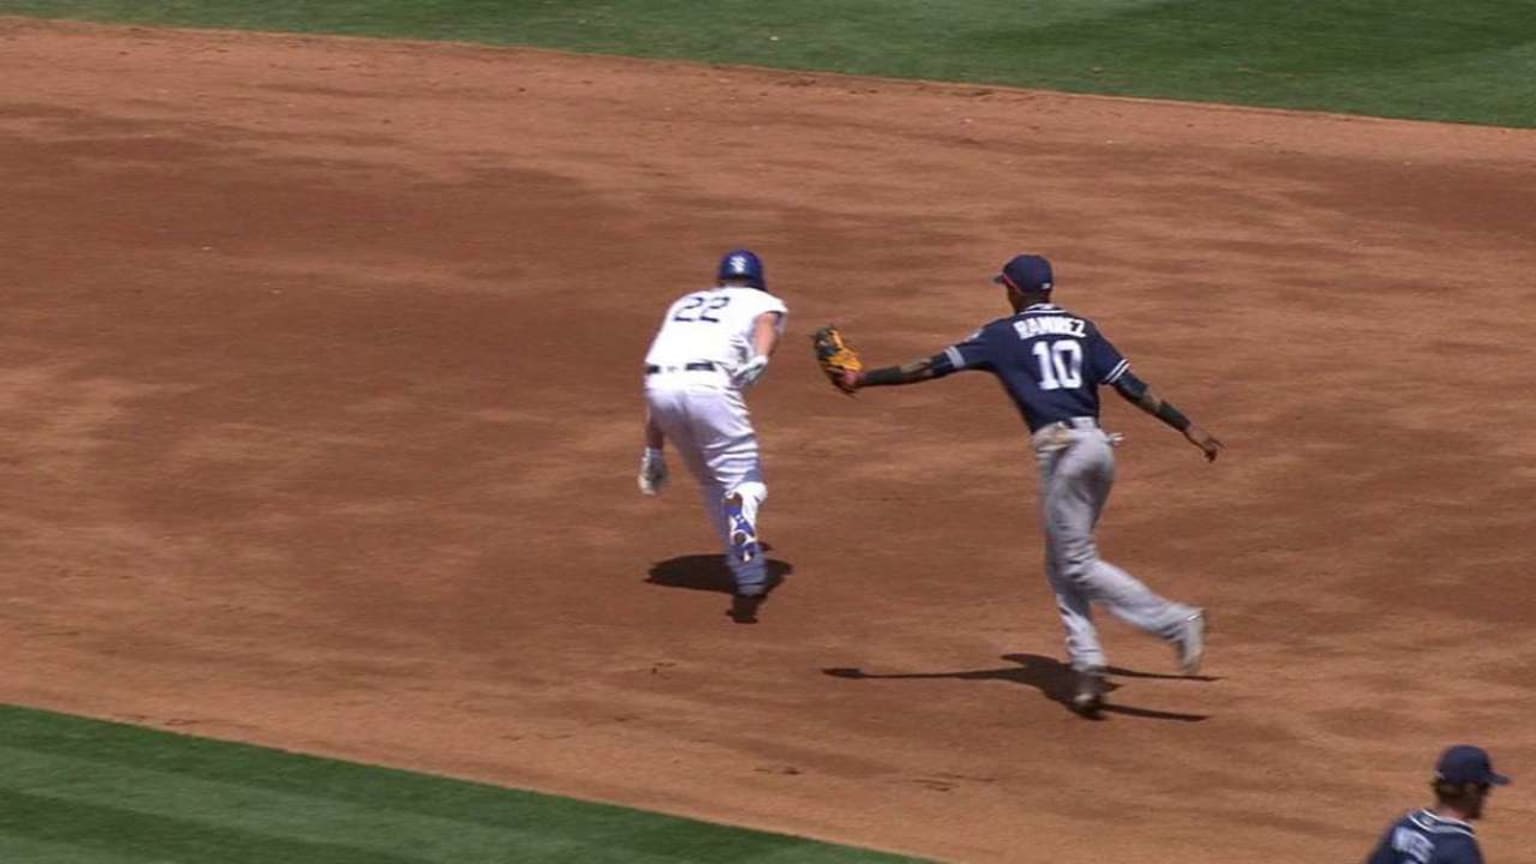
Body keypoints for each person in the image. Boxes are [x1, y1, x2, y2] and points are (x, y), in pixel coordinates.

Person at [827, 253, 1222, 714]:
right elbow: (1132, 386)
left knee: (1075, 563)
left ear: (1014, 291)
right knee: (1063, 562)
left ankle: (1176, 622)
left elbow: (931, 366)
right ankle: (1088, 665)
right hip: (1098, 449)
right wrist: (1187, 427)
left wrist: (864, 378)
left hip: (1062, 454)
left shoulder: (1000, 335)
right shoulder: (1083, 328)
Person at [638, 249, 787, 623]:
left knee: (709, 483)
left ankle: (749, 578)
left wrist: (653, 451)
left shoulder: (684, 303)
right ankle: (742, 518)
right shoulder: (761, 300)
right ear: (757, 279)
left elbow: (666, 367)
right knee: (744, 478)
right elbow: (766, 322)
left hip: (659, 388)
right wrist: (762, 356)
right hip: (709, 386)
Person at [1365, 745, 1509, 863]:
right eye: (1485, 788)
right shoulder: (1461, 850)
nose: (1487, 795)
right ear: (1471, 790)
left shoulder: (1405, 825)